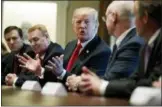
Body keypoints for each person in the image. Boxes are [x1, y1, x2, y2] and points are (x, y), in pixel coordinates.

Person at [79, 0, 161, 98]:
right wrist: (98, 83)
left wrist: (101, 86)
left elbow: (150, 84)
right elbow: (135, 81)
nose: (133, 22)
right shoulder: (146, 46)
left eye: (135, 16)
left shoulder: (142, 43)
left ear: (145, 17)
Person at [66, 1, 144, 91]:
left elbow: (114, 79)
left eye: (105, 18)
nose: (82, 26)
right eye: (78, 22)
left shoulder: (133, 44)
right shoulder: (124, 42)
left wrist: (81, 82)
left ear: (113, 17)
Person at [45, 7, 111, 90]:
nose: (82, 26)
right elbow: (59, 74)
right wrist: (40, 70)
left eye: (87, 22)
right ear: (73, 25)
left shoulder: (102, 51)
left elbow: (89, 83)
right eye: (78, 22)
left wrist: (62, 73)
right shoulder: (70, 45)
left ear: (96, 25)